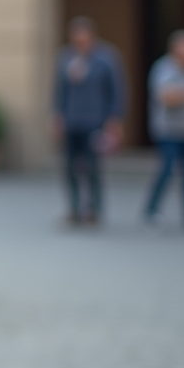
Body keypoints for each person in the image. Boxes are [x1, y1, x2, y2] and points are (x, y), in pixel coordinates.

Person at [51, 16, 126, 225]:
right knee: (69, 167)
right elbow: (59, 90)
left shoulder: (106, 58)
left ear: (91, 36)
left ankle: (94, 208)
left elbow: (116, 90)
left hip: (95, 121)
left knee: (93, 168)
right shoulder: (66, 57)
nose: (79, 40)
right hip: (72, 121)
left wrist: (114, 119)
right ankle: (73, 208)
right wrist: (57, 116)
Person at [143, 30, 184, 226]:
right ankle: (151, 210)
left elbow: (174, 95)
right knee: (167, 170)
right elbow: (164, 96)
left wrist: (177, 94)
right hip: (167, 130)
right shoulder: (163, 68)